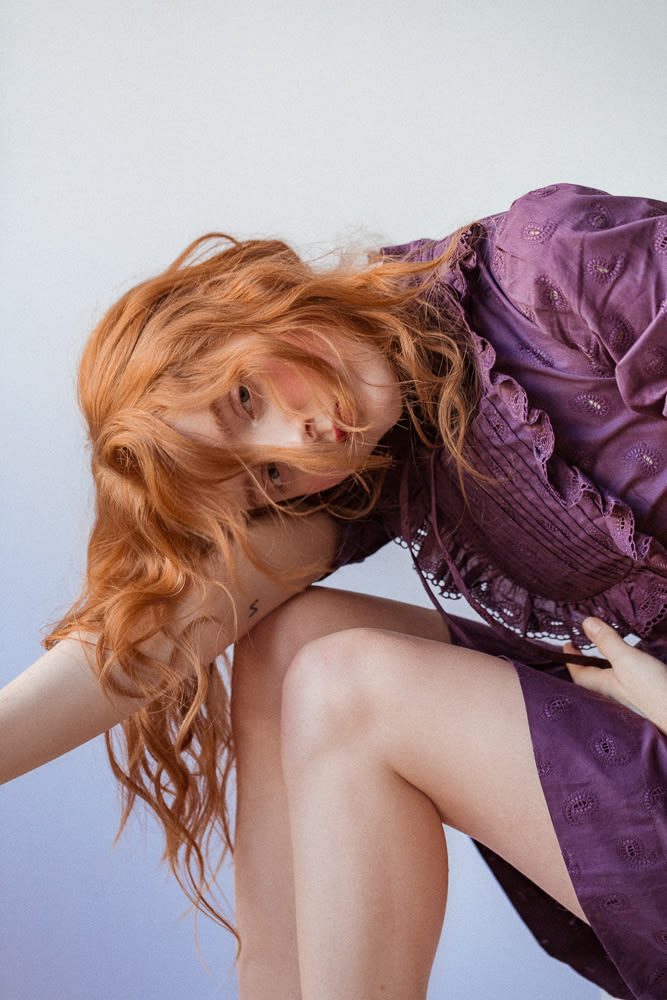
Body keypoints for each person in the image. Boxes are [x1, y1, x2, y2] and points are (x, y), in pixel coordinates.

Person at [1, 182, 665, 1000]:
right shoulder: (383, 447)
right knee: (296, 640)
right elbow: (156, 636)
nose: (302, 443)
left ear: (245, 299)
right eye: (271, 477)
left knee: (349, 686)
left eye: (244, 396)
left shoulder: (552, 261)